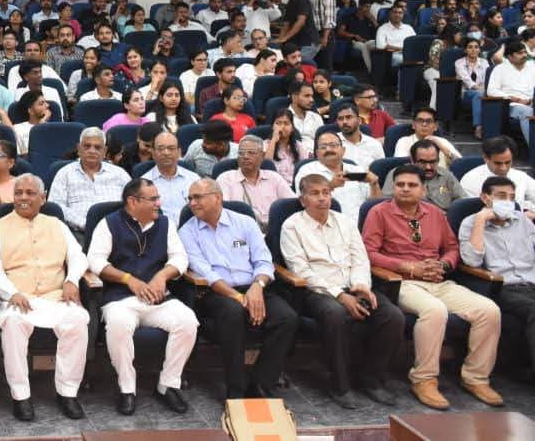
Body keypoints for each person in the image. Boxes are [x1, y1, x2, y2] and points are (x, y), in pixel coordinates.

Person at [363, 164, 503, 409]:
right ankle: (424, 379)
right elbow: (369, 252)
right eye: (400, 184)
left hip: (438, 280)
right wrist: (408, 267)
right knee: (435, 311)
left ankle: (476, 378)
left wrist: (444, 264)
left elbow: (451, 248)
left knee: (489, 310)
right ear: (393, 187)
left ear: (423, 189)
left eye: (412, 185)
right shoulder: (379, 212)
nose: (405, 189)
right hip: (401, 282)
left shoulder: (435, 213)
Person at [283, 173, 404, 408]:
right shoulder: (292, 226)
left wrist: (361, 286)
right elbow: (301, 270)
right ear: (302, 199)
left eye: (326, 193)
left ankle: (372, 380)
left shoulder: (345, 222)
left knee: (392, 316)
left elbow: (360, 259)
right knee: (336, 314)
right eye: (315, 194)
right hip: (317, 291)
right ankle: (340, 385)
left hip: (353, 285)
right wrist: (340, 295)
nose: (322, 198)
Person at [179, 178, 299, 400]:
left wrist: (257, 287)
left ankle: (261, 384)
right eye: (190, 198)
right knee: (233, 314)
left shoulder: (245, 223)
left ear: (217, 197)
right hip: (216, 293)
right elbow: (206, 272)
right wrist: (238, 297)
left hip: (254, 287)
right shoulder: (187, 231)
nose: (192, 203)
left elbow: (264, 261)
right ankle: (236, 388)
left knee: (287, 318)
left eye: (198, 197)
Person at [0, 174, 88, 421]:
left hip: (55, 296)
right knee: (14, 323)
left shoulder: (57, 225)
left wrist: (72, 280)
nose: (23, 198)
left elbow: (77, 256)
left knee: (77, 320)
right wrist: (12, 292)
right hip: (17, 298)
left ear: (43, 197)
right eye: (18, 193)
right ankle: (21, 395)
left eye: (30, 193)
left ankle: (67, 392)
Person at [87, 177, 195, 415]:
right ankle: (127, 388)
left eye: (158, 198)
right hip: (121, 298)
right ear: (132, 201)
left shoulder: (165, 223)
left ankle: (168, 385)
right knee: (119, 324)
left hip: (158, 298)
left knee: (188, 321)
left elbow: (180, 258)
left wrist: (162, 276)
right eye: (153, 199)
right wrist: (129, 279)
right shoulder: (109, 223)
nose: (159, 203)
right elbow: (95, 261)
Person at [459, 175, 535, 372]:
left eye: (512, 197)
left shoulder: (523, 221)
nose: (508, 202)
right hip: (503, 287)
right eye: (502, 196)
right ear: (485, 198)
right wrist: (481, 220)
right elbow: (472, 261)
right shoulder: (471, 222)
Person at [48, 127, 131, 239]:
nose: (92, 151)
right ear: (79, 149)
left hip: (118, 232)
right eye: (87, 146)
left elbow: (133, 202)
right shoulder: (64, 174)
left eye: (97, 147)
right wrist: (85, 224)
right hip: (78, 234)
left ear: (105, 151)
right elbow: (56, 206)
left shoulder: (120, 174)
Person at [216, 134, 293, 227]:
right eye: (241, 153)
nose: (245, 156)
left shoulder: (274, 178)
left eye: (251, 152)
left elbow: (291, 204)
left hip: (273, 230)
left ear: (262, 155)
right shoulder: (226, 179)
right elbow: (222, 211)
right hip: (241, 231)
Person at [383, 140, 465, 210]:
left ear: (438, 160)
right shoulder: (399, 174)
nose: (428, 167)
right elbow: (386, 203)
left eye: (432, 162)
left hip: (443, 219)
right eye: (423, 162)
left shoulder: (447, 176)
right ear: (412, 161)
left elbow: (463, 201)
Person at [460, 135, 535, 208]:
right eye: (498, 163)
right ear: (486, 158)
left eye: (507, 162)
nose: (503, 168)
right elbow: (471, 210)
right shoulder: (470, 180)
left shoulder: (520, 176)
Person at [486, 40, 535, 148]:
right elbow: (491, 90)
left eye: (525, 52)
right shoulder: (500, 69)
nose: (524, 55)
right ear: (509, 57)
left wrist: (531, 100)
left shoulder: (532, 67)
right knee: (526, 112)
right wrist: (511, 98)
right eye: (520, 53)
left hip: (532, 102)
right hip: (512, 105)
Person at [143, 131, 200, 221]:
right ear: (153, 153)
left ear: (179, 152)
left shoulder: (194, 179)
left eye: (171, 148)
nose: (166, 153)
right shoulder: (143, 183)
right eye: (161, 149)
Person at [392, 107, 462, 163]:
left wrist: (441, 147)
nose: (424, 124)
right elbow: (401, 165)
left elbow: (459, 164)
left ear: (435, 126)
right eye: (420, 120)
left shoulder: (442, 141)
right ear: (413, 125)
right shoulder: (404, 141)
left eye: (429, 121)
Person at [335, 103, 383, 169]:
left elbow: (381, 170)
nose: (344, 122)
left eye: (349, 117)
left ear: (359, 120)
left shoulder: (374, 144)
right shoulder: (331, 143)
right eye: (340, 119)